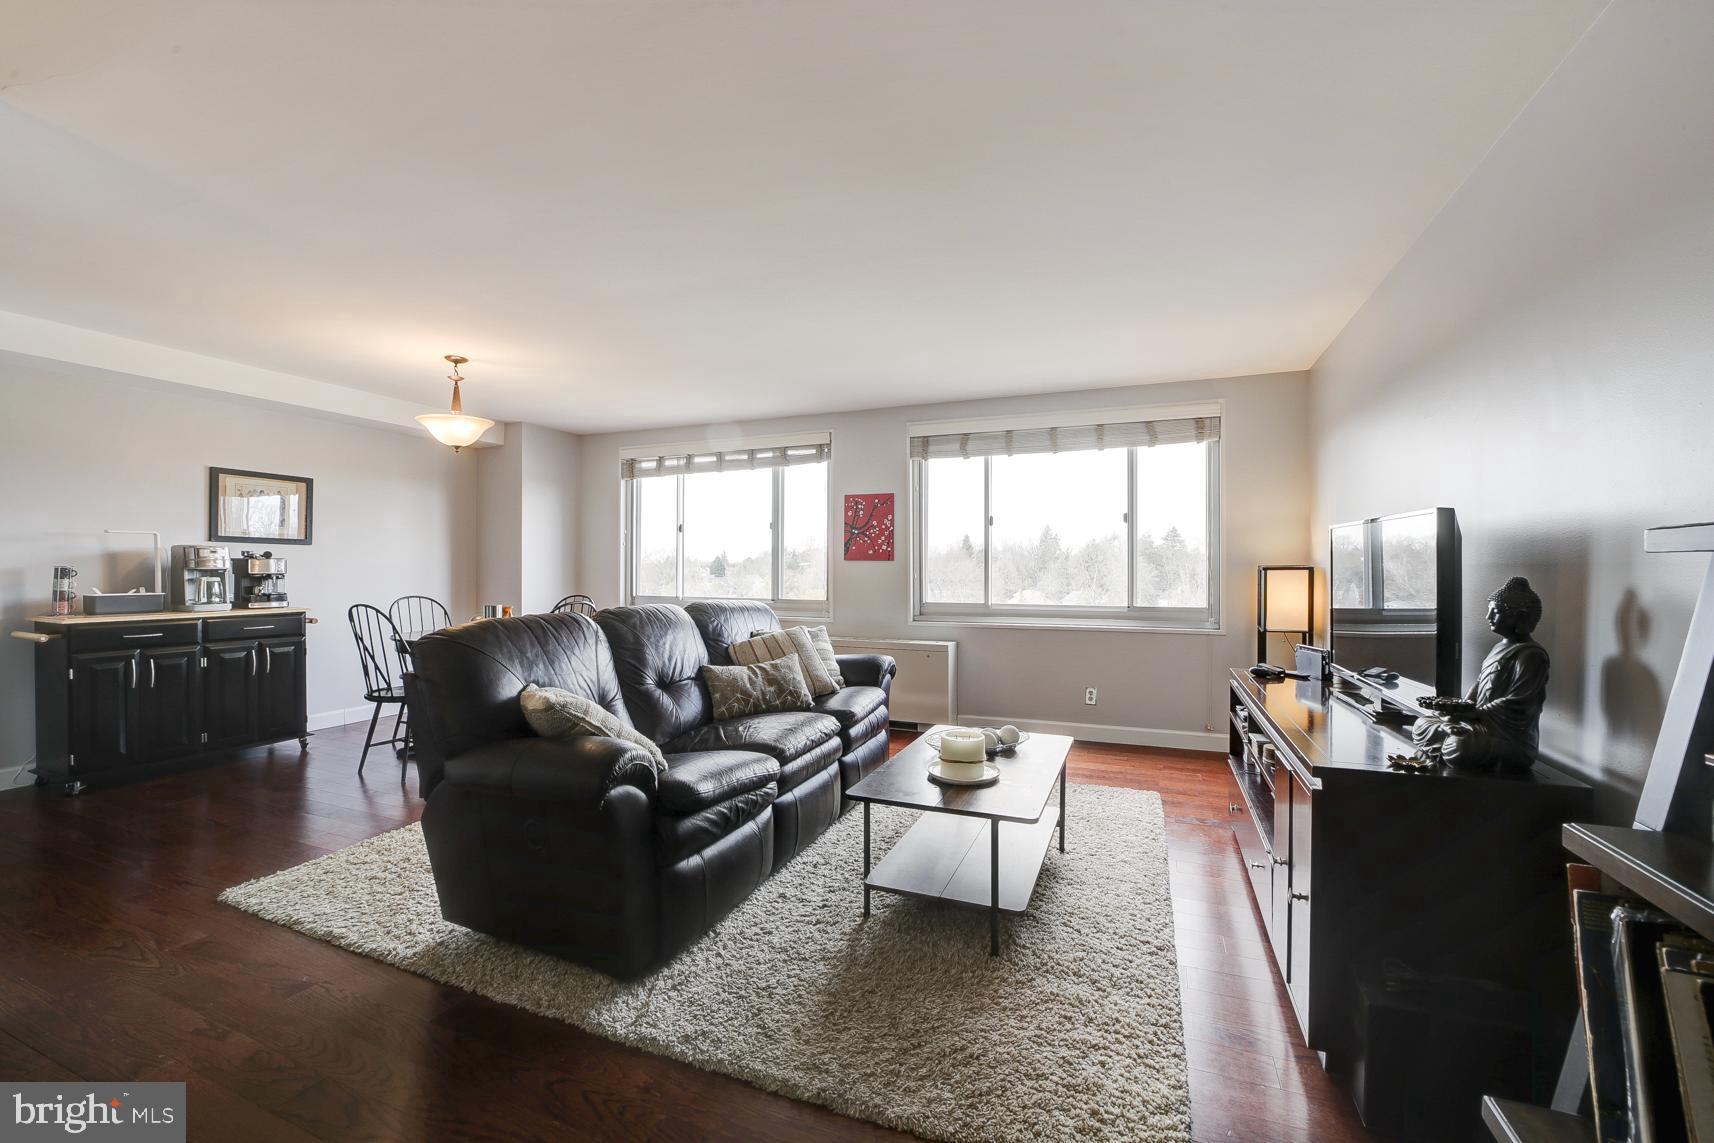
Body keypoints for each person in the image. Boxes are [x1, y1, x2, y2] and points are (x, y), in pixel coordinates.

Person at [1410, 577, 1549, 773]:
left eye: (1496, 612)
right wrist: (1457, 713)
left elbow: (1521, 705)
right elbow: (1478, 686)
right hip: (1480, 725)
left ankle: (1449, 741)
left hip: (1509, 738)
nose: (1488, 616)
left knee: (1460, 746)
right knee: (1422, 724)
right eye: (1489, 610)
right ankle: (1447, 734)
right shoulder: (1498, 648)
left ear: (1521, 618)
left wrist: (1476, 713)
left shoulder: (1532, 655)